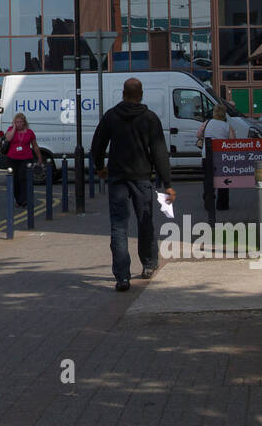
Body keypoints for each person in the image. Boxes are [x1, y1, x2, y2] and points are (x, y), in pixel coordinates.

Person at [91, 78, 176, 288]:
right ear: (141, 94)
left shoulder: (111, 116)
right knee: (144, 221)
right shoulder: (150, 118)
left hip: (118, 177)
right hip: (142, 177)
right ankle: (148, 264)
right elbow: (159, 153)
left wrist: (100, 167)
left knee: (119, 226)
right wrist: (168, 183)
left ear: (122, 93)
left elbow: (97, 144)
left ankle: (122, 276)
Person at [196, 103, 234, 215]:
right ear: (224, 114)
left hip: (207, 155)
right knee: (223, 180)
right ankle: (222, 204)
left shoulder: (206, 123)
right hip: (222, 156)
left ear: (214, 112)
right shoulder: (227, 126)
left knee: (208, 179)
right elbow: (232, 141)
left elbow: (198, 134)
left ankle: (209, 202)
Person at [2, 112, 42, 210]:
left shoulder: (29, 132)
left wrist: (39, 157)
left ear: (24, 122)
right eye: (17, 122)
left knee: (23, 178)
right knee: (15, 180)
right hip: (13, 158)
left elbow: (35, 146)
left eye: (21, 122)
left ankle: (24, 200)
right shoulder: (11, 130)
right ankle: (18, 200)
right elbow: (8, 138)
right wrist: (14, 127)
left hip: (26, 158)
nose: (19, 123)